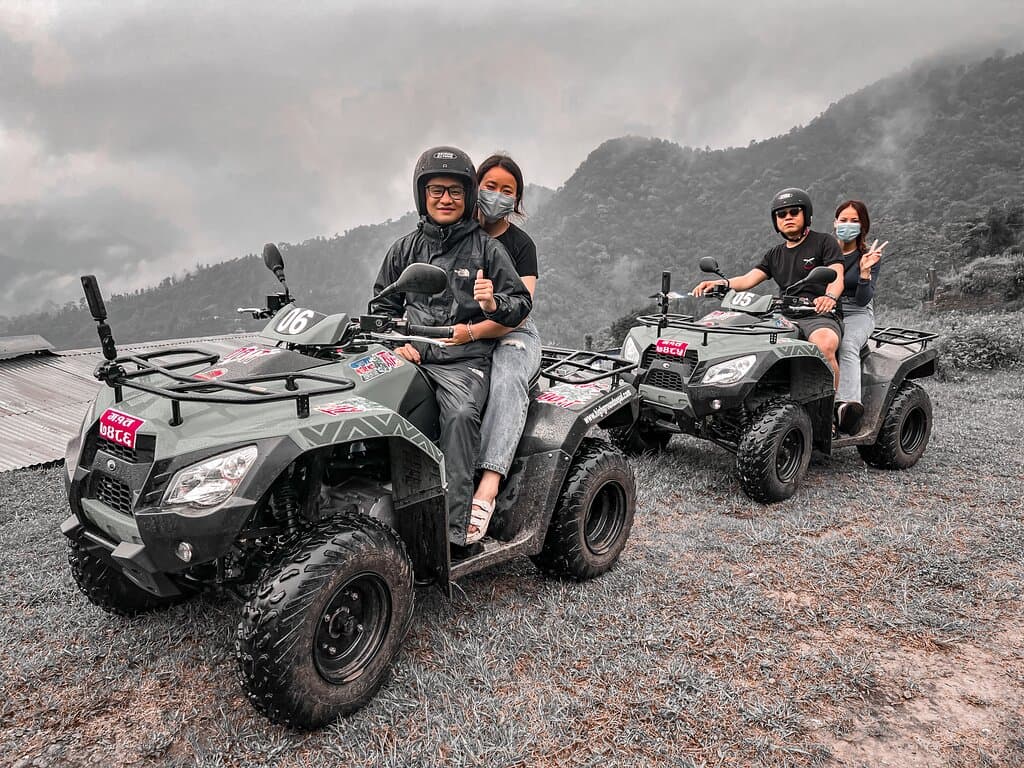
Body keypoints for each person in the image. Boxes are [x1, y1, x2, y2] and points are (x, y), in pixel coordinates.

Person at [371, 146, 532, 550]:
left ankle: (453, 534)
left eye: (456, 191)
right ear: (422, 194)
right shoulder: (405, 249)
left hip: (463, 362)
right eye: (437, 190)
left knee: (460, 416)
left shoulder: (487, 249)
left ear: (468, 196)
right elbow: (382, 306)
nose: (446, 199)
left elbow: (520, 303)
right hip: (413, 355)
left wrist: (492, 303)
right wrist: (396, 344)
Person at [444, 154, 541, 542]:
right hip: (460, 328)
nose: (496, 195)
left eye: (507, 190)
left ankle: (487, 486)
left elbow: (519, 312)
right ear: (475, 187)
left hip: (510, 333)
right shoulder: (457, 232)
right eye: (490, 186)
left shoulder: (521, 245)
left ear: (516, 200)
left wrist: (471, 333)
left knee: (506, 376)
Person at [692, 187, 846, 389]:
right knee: (743, 345)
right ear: (775, 221)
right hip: (783, 316)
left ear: (806, 214)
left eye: (794, 212)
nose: (787, 217)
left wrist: (830, 297)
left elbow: (837, 275)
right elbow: (748, 279)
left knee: (824, 345)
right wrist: (722, 283)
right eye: (781, 214)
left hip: (819, 315)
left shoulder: (824, 241)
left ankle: (832, 403)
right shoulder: (774, 254)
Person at [833, 200, 884, 434]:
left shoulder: (869, 256)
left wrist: (864, 272)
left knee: (847, 344)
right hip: (826, 307)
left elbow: (864, 299)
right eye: (843, 220)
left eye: (854, 221)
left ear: (863, 226)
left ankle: (847, 407)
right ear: (835, 223)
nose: (848, 225)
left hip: (857, 311)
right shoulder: (826, 252)